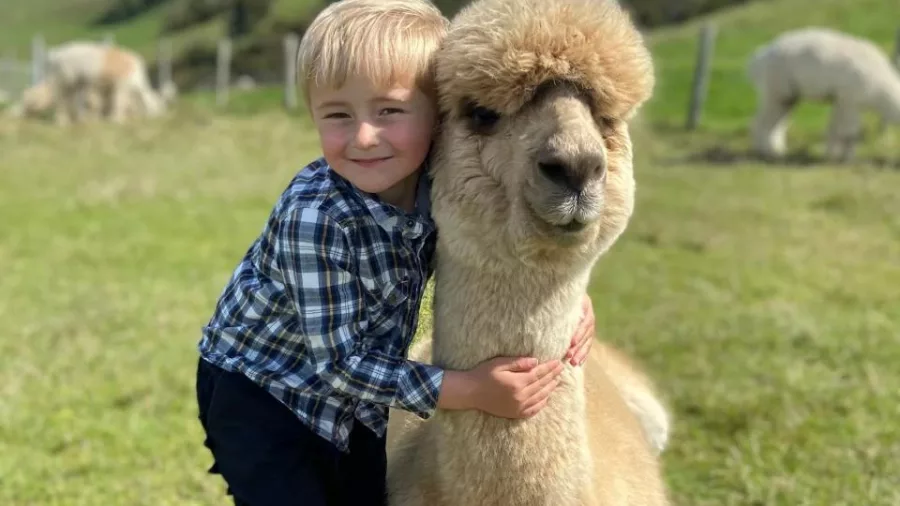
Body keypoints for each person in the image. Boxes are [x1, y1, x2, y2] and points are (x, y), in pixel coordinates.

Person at [194, 1, 597, 505]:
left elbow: (494, 245)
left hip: (359, 398)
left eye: (390, 110)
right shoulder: (315, 218)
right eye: (338, 115)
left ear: (438, 119)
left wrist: (567, 298)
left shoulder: (440, 186)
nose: (364, 137)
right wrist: (467, 389)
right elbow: (339, 366)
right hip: (264, 394)